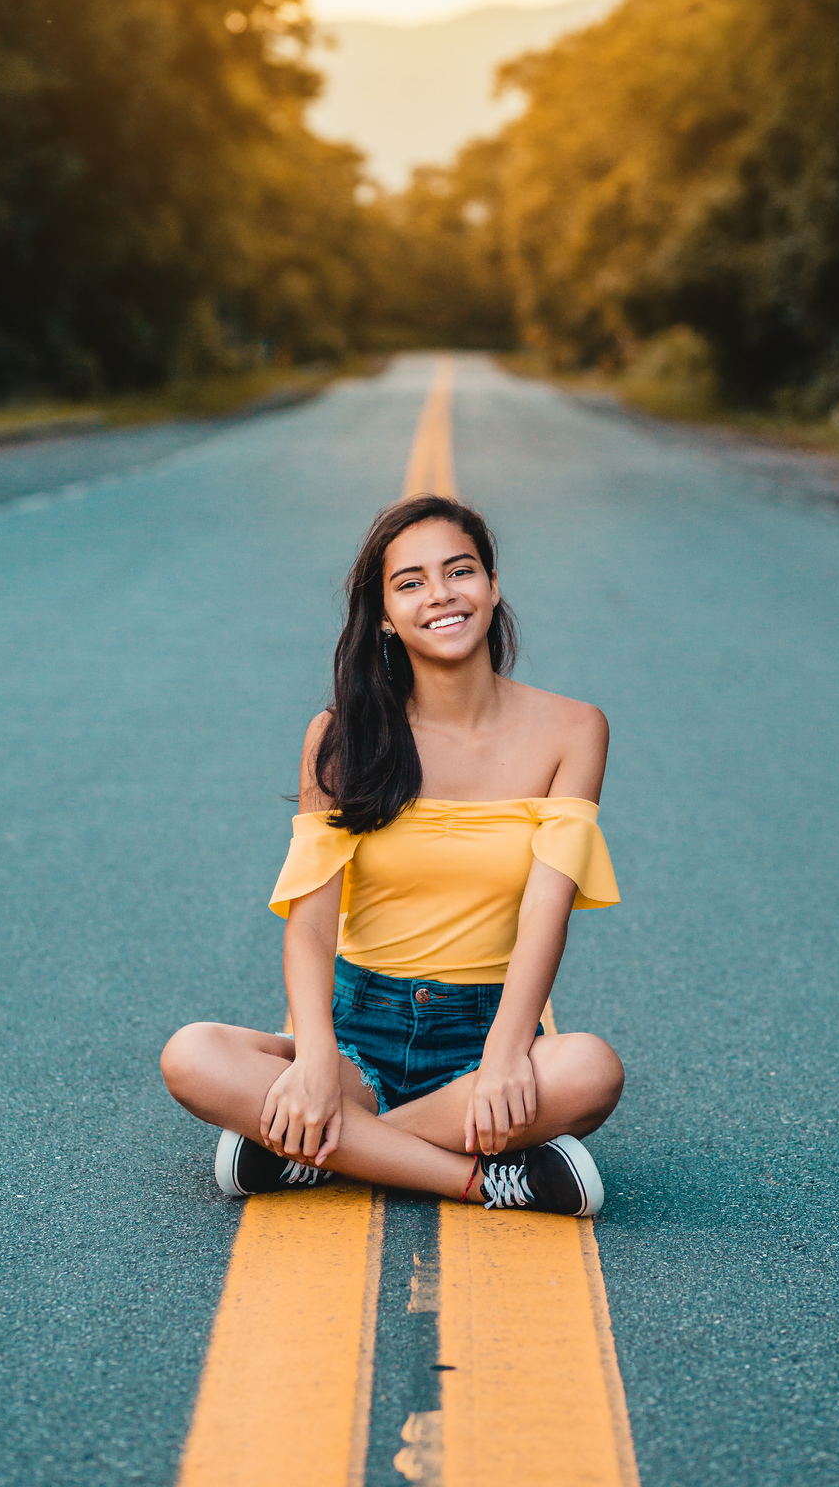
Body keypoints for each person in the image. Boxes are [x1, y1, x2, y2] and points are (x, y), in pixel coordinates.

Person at [160, 494, 625, 1215]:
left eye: (460, 571)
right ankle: (478, 1177)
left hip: (485, 1031)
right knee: (191, 1056)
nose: (440, 595)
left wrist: (506, 1056)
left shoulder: (573, 729)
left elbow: (545, 910)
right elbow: (311, 924)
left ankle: (309, 1151)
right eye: (409, 582)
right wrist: (315, 1061)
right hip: (359, 1039)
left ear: (493, 586)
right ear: (383, 613)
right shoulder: (341, 735)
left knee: (591, 1071)